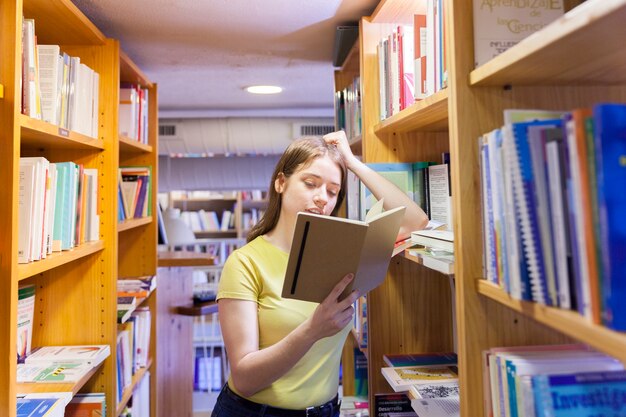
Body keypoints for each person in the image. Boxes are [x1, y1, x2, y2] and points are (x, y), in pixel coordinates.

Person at [212, 130, 428, 416]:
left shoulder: (346, 251)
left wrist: (353, 163)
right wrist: (312, 331)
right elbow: (244, 378)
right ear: (281, 182)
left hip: (326, 410)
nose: (321, 198)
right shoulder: (245, 263)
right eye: (310, 183)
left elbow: (416, 222)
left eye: (332, 191)